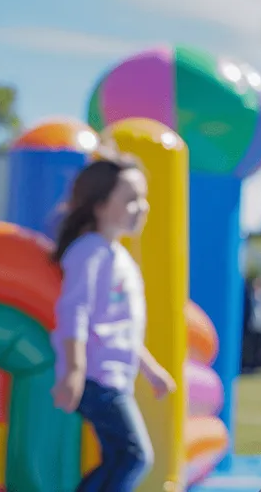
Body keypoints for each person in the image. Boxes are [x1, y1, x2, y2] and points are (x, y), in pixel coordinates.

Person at [48, 154, 177, 491]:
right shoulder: (89, 251)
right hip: (96, 377)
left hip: (113, 378)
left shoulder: (117, 255)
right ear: (100, 205)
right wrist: (74, 370)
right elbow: (74, 310)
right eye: (131, 199)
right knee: (135, 456)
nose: (142, 207)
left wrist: (150, 370)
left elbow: (123, 329)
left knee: (121, 456)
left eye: (143, 198)